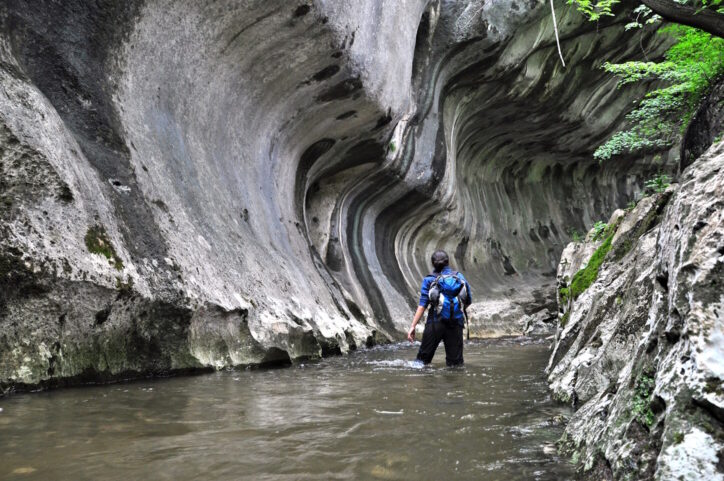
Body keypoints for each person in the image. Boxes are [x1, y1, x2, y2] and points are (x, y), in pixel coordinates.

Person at [407, 250, 472, 366]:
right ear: (448, 262)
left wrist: (413, 326)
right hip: (455, 322)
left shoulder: (429, 279)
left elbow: (423, 305)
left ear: (433, 264)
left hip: (435, 322)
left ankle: (425, 383)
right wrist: (454, 309)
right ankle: (456, 384)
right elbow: (468, 300)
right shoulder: (459, 276)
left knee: (421, 362)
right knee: (455, 365)